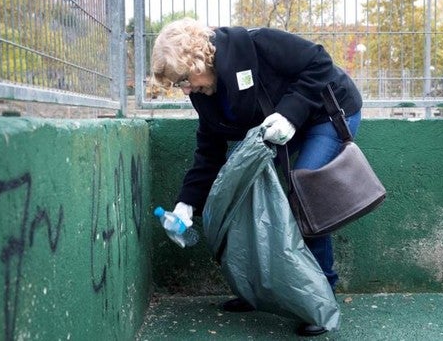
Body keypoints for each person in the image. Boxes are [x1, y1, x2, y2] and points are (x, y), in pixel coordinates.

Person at [151, 17, 362, 337]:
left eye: (182, 79)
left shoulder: (257, 43)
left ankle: (322, 296)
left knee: (304, 196)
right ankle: (259, 292)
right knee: (241, 198)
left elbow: (320, 61)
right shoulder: (203, 93)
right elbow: (209, 152)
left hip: (324, 113)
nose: (185, 90)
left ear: (197, 60)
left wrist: (291, 113)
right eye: (179, 85)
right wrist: (185, 204)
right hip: (277, 130)